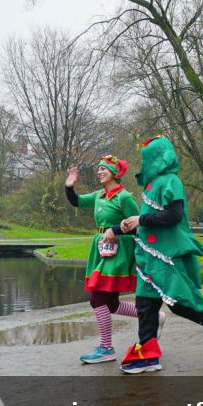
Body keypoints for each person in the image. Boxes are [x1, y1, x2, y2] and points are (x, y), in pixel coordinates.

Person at [118, 136, 203, 374]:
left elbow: (173, 216)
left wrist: (141, 220)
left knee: (179, 303)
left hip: (165, 257)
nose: (145, 162)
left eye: (148, 156)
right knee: (145, 305)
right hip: (148, 257)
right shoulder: (151, 185)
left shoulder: (171, 181)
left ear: (159, 158)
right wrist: (130, 226)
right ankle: (148, 353)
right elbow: (150, 219)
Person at [65, 155, 146, 364]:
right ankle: (152, 317)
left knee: (96, 299)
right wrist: (69, 185)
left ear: (114, 173)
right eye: (99, 169)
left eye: (104, 169)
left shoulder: (124, 197)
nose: (99, 172)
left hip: (119, 250)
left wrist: (116, 231)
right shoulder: (98, 195)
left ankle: (107, 348)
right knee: (111, 304)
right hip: (101, 248)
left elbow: (137, 225)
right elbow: (76, 201)